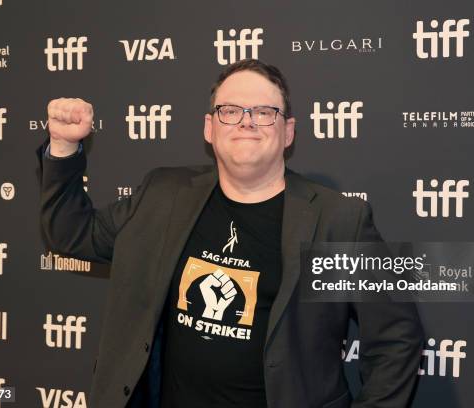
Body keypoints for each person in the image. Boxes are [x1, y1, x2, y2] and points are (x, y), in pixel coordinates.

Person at [39, 59, 423, 408]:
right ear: (209, 128)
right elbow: (71, 235)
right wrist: (63, 145)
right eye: (230, 110)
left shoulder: (338, 221)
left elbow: (395, 339)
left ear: (288, 132)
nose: (246, 121)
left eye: (264, 112)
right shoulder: (163, 194)